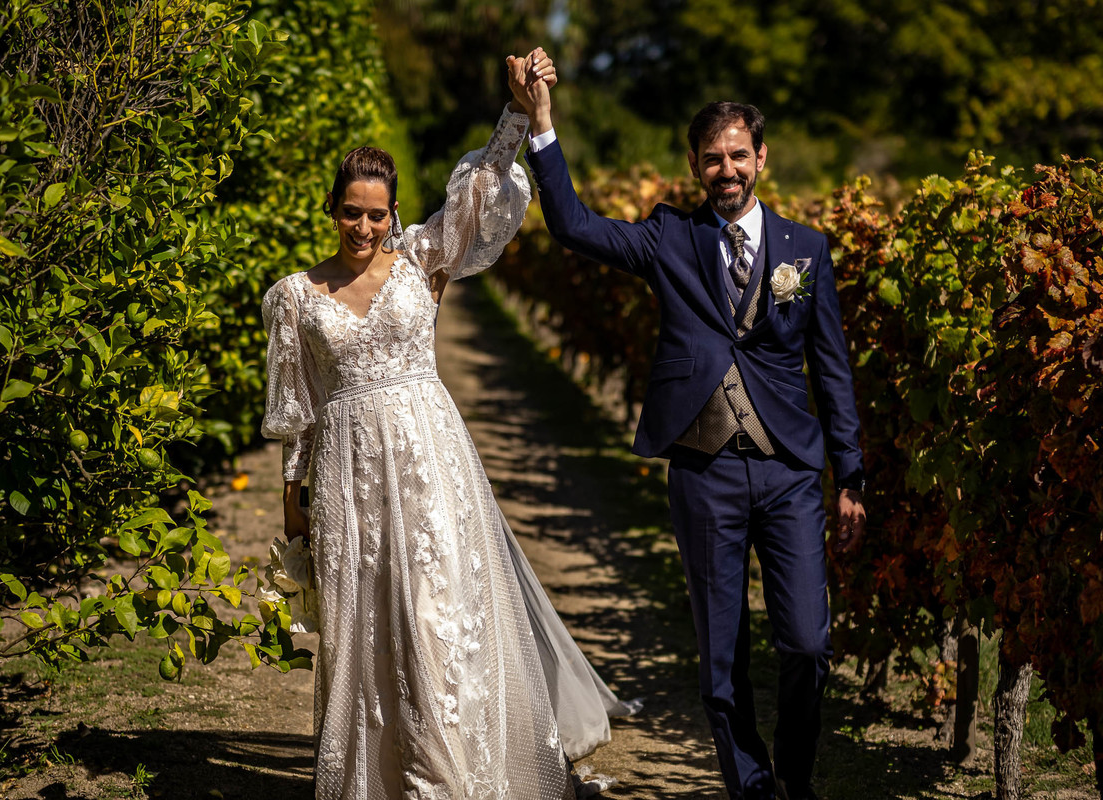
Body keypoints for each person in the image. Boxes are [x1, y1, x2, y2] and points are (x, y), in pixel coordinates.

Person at [260, 50, 634, 800]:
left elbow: (484, 185)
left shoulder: (420, 260)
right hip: (347, 479)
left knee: (434, 617)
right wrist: (294, 506)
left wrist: (517, 113)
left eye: (377, 213)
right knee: (367, 628)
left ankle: (454, 776)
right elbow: (299, 417)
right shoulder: (293, 297)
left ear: (392, 213)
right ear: (331, 208)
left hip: (430, 465)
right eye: (351, 211)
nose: (364, 226)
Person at [510, 51, 867, 800]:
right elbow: (573, 226)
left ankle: (794, 778)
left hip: (790, 472)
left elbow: (831, 368)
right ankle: (752, 789)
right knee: (721, 661)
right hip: (705, 474)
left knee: (808, 643)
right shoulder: (669, 237)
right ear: (696, 166)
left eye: (738, 155)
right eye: (712, 158)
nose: (726, 170)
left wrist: (850, 476)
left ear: (761, 158)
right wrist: (542, 122)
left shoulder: (806, 250)